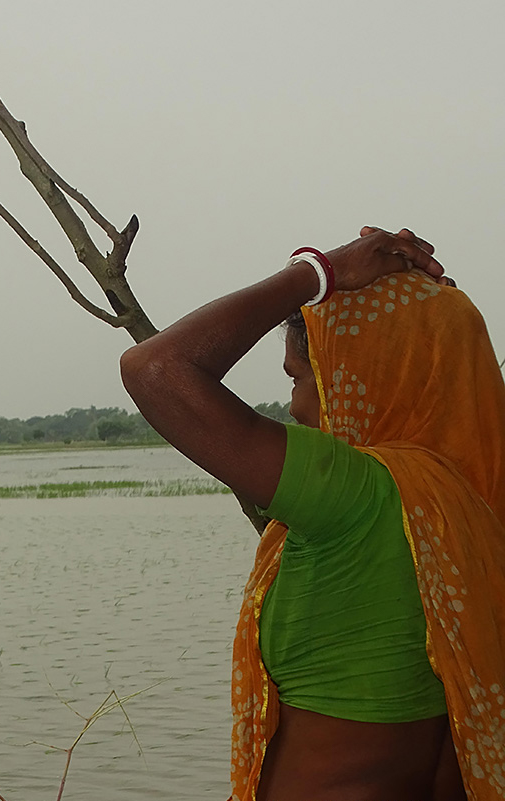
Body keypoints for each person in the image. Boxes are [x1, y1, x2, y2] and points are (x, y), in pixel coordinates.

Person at [119, 227, 505, 800]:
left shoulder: (356, 494)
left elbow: (154, 369)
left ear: (361, 375)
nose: (295, 404)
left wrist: (318, 271)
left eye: (300, 377)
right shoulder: (471, 503)